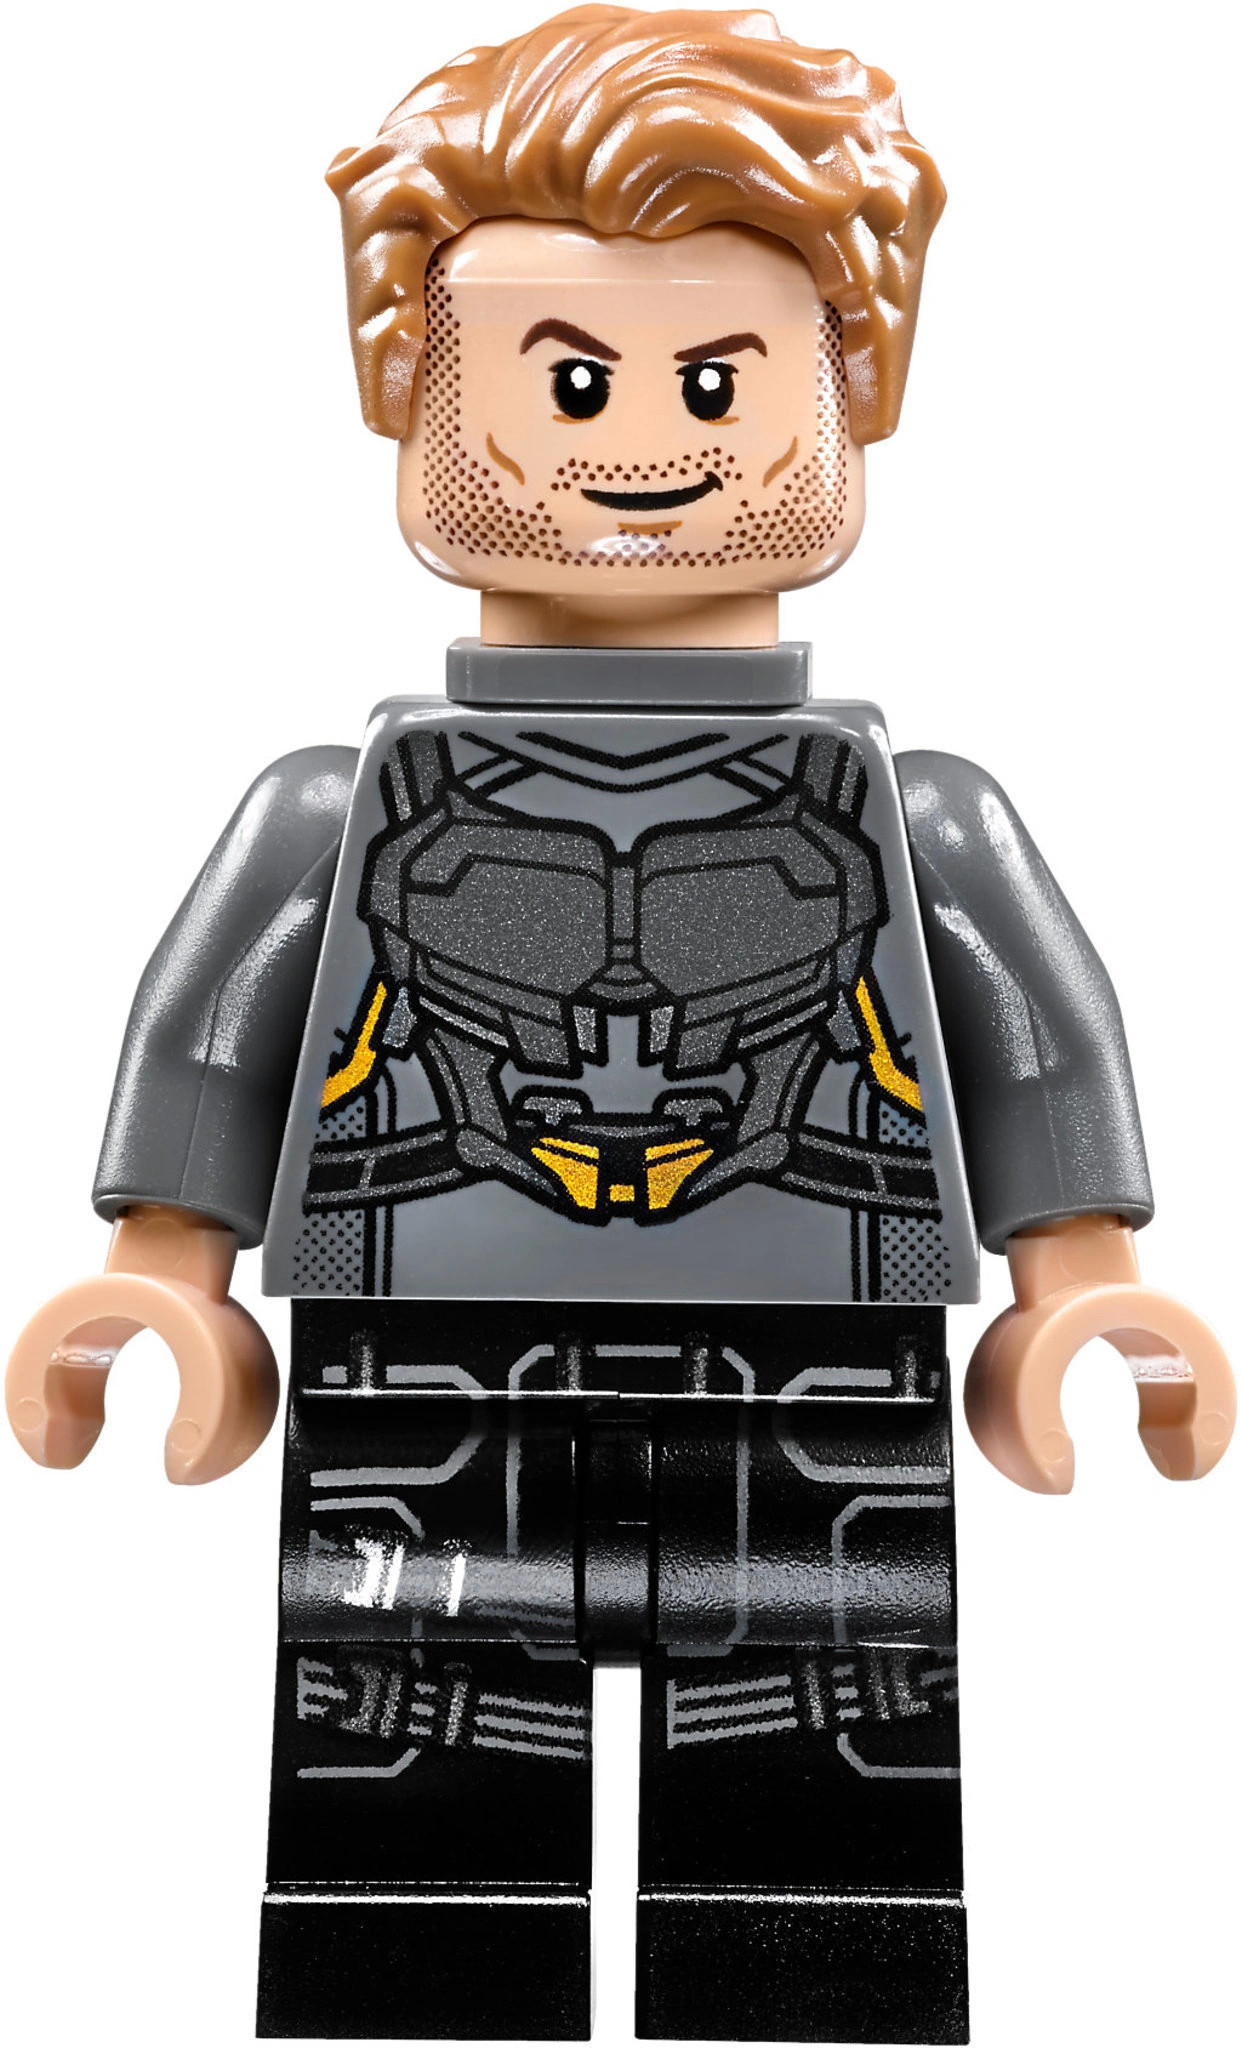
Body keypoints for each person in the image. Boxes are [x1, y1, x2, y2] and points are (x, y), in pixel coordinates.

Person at [7, 10, 1232, 2042]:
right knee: (408, 1793)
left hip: (823, 1377)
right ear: (407, 386)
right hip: (414, 1369)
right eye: (564, 379)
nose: (637, 444)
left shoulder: (915, 816)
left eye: (712, 378)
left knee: (823, 1809)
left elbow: (1036, 1041)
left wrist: (1081, 1288)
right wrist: (161, 1274)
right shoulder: (337, 808)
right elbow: (214, 1035)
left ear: (857, 386)